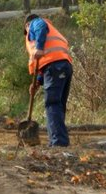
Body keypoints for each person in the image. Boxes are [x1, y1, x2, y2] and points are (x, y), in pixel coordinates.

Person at [24, 13, 73, 147]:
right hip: (64, 66)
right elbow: (48, 61)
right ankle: (60, 141)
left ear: (27, 25)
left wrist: (39, 48)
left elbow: (40, 27)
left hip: (54, 67)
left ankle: (58, 143)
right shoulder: (53, 32)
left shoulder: (36, 23)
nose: (27, 35)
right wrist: (38, 82)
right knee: (58, 104)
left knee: (52, 103)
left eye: (26, 31)